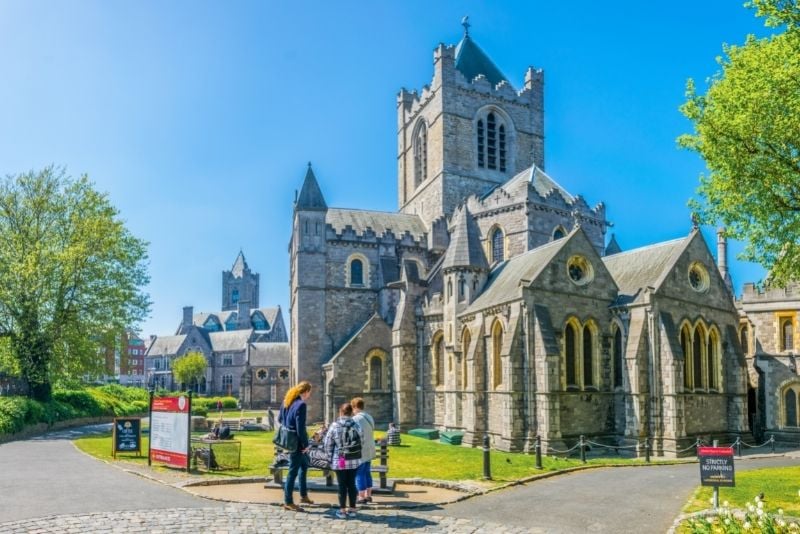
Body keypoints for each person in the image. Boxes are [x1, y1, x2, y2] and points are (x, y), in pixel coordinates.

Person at [278, 381, 314, 511]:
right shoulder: (301, 405)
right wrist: (305, 444)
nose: (309, 395)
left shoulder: (286, 401)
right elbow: (300, 428)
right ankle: (288, 501)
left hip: (289, 440)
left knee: (304, 465)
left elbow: (279, 420)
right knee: (293, 472)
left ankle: (303, 495)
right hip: (297, 443)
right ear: (306, 391)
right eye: (310, 392)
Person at [324, 402, 363, 519]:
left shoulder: (335, 426)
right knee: (351, 484)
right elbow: (362, 442)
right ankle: (352, 509)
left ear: (340, 412)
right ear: (351, 412)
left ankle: (342, 510)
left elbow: (328, 444)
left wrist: (329, 458)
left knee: (342, 485)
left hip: (340, 459)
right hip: (354, 460)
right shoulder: (356, 425)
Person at [351, 397, 375, 504]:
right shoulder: (369, 416)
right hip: (370, 449)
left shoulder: (356, 419)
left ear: (355, 407)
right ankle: (368, 495)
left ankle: (361, 496)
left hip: (361, 450)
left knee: (359, 473)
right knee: (367, 472)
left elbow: (354, 435)